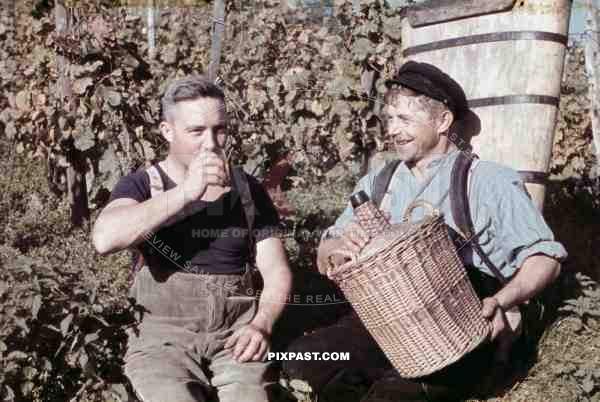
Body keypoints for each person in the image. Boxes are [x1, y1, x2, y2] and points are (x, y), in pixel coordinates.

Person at [282, 61, 568, 400]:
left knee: (392, 397)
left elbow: (545, 258)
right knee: (301, 363)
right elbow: (325, 249)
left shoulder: (488, 181)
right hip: (386, 319)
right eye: (389, 118)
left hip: (464, 325)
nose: (392, 129)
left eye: (405, 119)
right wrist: (337, 248)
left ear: (442, 121)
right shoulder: (378, 183)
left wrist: (503, 299)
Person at [92, 75, 292, 402]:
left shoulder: (246, 189)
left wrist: (262, 324)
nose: (211, 143)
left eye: (220, 129)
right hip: (163, 342)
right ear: (167, 131)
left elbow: (276, 271)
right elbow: (104, 239)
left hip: (234, 337)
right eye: (196, 131)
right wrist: (186, 192)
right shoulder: (146, 185)